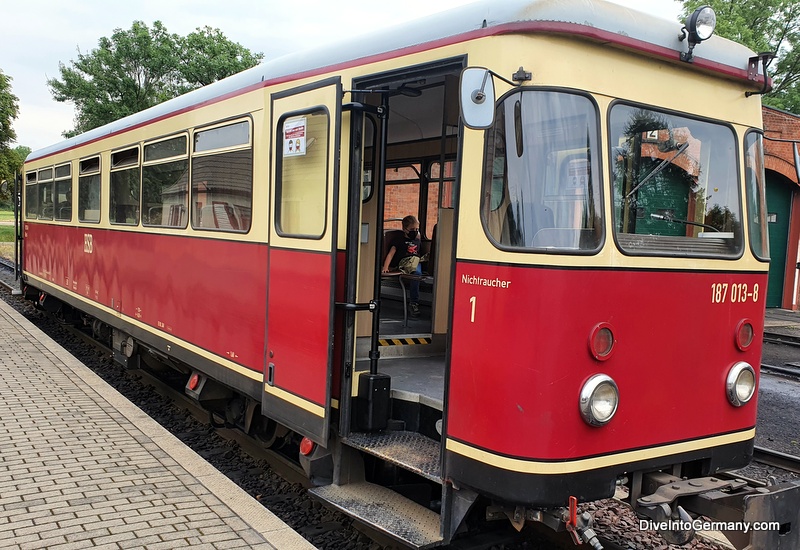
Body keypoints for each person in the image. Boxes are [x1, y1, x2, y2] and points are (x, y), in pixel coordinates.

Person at [382, 215, 423, 318]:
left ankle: (414, 303)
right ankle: (414, 303)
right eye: (412, 229)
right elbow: (391, 254)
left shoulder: (417, 241)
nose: (415, 231)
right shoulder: (398, 240)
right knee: (416, 274)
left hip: (415, 262)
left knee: (417, 273)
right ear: (405, 229)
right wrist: (385, 267)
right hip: (403, 264)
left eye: (417, 229)